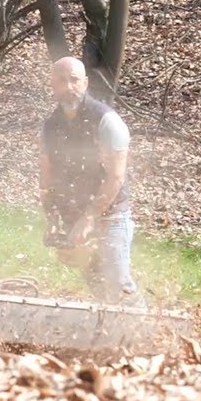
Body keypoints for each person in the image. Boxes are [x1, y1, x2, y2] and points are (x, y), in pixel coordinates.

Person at [38, 56, 144, 307]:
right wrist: (52, 220)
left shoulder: (107, 121)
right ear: (52, 85)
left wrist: (89, 218)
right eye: (62, 81)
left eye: (74, 80)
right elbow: (46, 179)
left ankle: (150, 333)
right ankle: (110, 342)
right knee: (98, 285)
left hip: (111, 215)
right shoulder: (49, 128)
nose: (69, 86)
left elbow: (116, 177)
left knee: (119, 283)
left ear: (85, 83)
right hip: (75, 215)